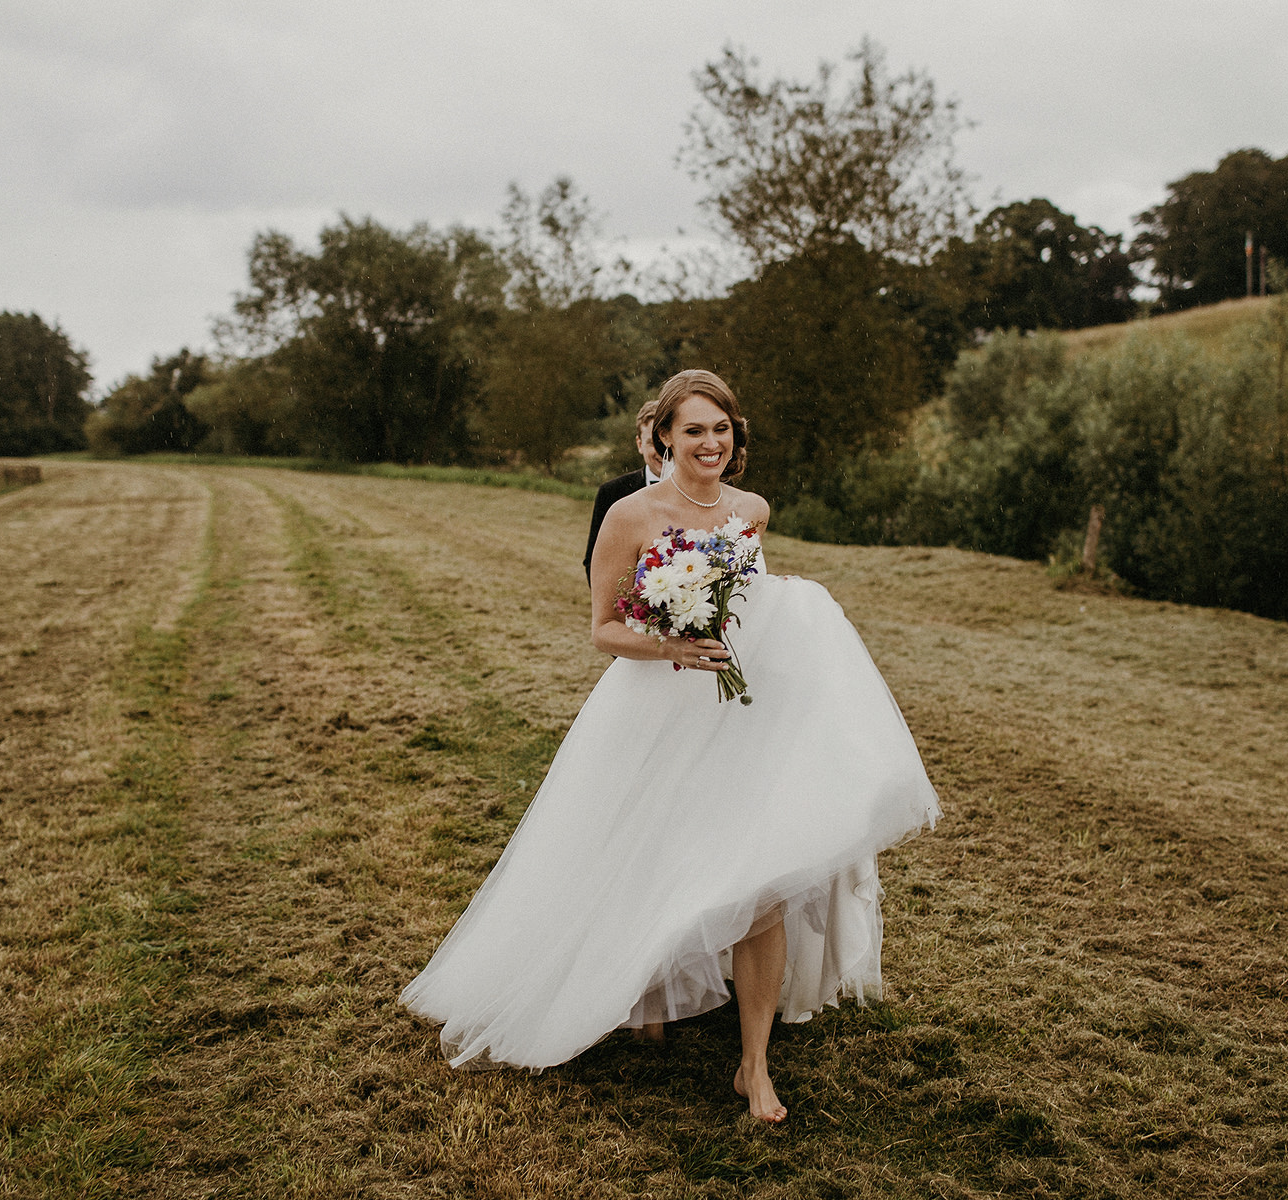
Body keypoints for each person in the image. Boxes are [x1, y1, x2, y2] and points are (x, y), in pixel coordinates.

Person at [402, 369, 940, 1123]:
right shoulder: (629, 514)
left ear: (735, 436)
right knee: (650, 856)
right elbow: (602, 629)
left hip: (747, 713)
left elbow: (755, 605)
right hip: (658, 709)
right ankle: (642, 992)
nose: (709, 443)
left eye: (720, 429)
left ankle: (753, 1066)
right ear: (663, 437)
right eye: (693, 430)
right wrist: (673, 647)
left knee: (761, 879)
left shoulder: (752, 510)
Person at [583, 398, 670, 585]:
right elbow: (594, 563)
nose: (662, 451)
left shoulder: (704, 491)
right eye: (652, 442)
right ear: (639, 444)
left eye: (666, 441)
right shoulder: (612, 492)